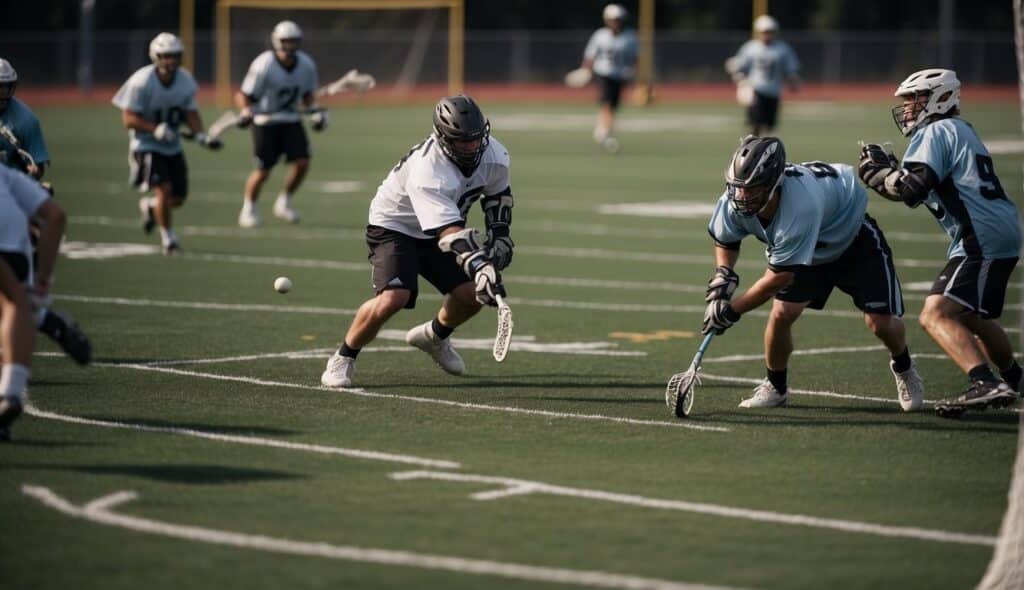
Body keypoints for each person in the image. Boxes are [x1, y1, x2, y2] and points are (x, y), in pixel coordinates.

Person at [703, 135, 924, 411]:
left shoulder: (799, 206)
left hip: (851, 239)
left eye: (753, 189)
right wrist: (724, 272)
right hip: (808, 248)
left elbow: (778, 278)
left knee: (879, 322)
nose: (743, 197)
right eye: (739, 189)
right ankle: (776, 386)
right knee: (782, 314)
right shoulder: (736, 197)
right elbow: (725, 239)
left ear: (774, 184)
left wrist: (732, 311)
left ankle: (903, 367)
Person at [858, 68, 1021, 415]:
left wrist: (881, 177)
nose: (907, 109)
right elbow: (917, 187)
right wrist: (889, 178)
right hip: (996, 229)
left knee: (934, 314)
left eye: (913, 100)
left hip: (982, 234)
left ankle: (985, 382)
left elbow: (913, 190)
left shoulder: (937, 130)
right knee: (970, 316)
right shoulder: (959, 129)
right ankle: (1015, 378)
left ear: (938, 97)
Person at [320, 95, 514, 387]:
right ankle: (343, 357)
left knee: (473, 295)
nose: (472, 146)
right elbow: (448, 232)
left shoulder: (495, 155)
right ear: (443, 138)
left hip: (441, 227)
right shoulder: (428, 171)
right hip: (396, 226)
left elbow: (498, 197)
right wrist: (480, 265)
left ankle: (434, 337)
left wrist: (500, 238)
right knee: (392, 299)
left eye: (476, 139)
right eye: (462, 141)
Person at [0, 58, 91, 365]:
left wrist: (33, 172)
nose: (1, 94)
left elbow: (36, 167)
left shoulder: (25, 120)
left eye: (5, 88)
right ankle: (49, 323)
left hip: (11, 198)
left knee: (12, 292)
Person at [112, 32, 222, 255]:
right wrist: (156, 129)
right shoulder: (141, 81)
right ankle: (168, 238)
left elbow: (190, 112)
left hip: (172, 146)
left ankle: (152, 208)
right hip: (146, 146)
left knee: (178, 198)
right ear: (156, 56)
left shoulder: (185, 80)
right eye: (165, 56)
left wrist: (200, 134)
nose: (170, 61)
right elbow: (128, 119)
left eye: (174, 56)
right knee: (163, 189)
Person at [0, 165, 67, 441]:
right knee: (15, 306)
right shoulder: (5, 173)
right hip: (14, 244)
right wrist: (42, 282)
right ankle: (11, 391)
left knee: (12, 304)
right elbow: (56, 215)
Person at [235, 20, 324, 228]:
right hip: (265, 122)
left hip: (291, 119)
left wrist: (315, 113)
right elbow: (244, 94)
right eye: (286, 41)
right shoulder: (264, 63)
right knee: (263, 170)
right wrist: (246, 110)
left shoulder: (306, 64)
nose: (290, 46)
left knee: (302, 162)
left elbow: (308, 96)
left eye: (294, 41)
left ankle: (284, 201)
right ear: (277, 42)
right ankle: (248, 208)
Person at [724, 15, 800, 137]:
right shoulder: (751, 47)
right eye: (765, 32)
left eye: (770, 32)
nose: (767, 35)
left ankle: (768, 153)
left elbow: (791, 69)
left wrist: (793, 80)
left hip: (774, 91)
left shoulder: (782, 48)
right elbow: (737, 66)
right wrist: (740, 80)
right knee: (755, 125)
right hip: (756, 90)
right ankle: (750, 151)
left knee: (771, 128)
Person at [579, 3, 637, 153]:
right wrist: (586, 70)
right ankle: (605, 133)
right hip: (603, 73)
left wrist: (635, 74)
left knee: (613, 106)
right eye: (612, 19)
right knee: (607, 103)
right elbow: (590, 55)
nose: (615, 22)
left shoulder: (630, 37)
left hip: (621, 74)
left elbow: (635, 58)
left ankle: (602, 129)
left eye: (617, 19)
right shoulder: (600, 35)